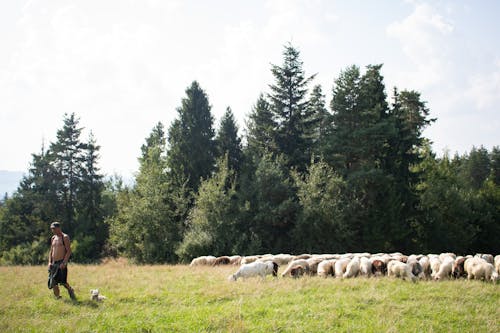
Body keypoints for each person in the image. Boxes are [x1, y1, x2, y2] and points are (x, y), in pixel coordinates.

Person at [47, 222, 76, 300]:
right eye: (52, 229)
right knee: (53, 282)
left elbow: (69, 251)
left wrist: (64, 262)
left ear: (59, 228)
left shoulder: (65, 237)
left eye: (54, 228)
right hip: (53, 263)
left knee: (63, 282)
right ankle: (58, 297)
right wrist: (49, 262)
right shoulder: (53, 238)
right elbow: (51, 251)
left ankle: (70, 289)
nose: (53, 230)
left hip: (61, 262)